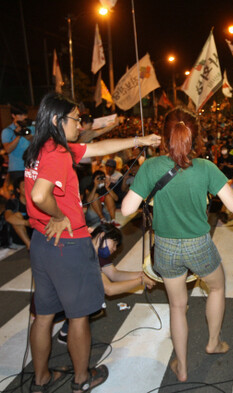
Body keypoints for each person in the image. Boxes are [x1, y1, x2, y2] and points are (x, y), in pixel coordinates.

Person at [23, 92, 160, 392]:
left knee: (44, 316)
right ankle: (82, 378)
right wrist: (59, 216)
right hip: (68, 243)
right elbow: (39, 196)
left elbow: (97, 148)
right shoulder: (58, 154)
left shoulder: (42, 148)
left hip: (41, 243)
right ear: (58, 120)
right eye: (76, 119)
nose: (81, 125)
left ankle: (41, 378)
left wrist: (140, 140)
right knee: (78, 316)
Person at [121, 107, 233, 383]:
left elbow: (127, 209)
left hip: (165, 247)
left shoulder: (150, 167)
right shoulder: (206, 168)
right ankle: (213, 342)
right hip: (199, 244)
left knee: (178, 306)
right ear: (196, 137)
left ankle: (183, 367)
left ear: (163, 138)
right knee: (217, 287)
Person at [56, 223, 155, 344]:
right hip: (59, 298)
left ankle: (68, 329)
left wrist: (141, 275)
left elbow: (114, 274)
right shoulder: (86, 253)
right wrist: (140, 281)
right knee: (94, 292)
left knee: (92, 289)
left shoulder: (96, 248)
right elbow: (109, 289)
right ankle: (70, 328)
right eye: (114, 245)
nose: (114, 250)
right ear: (102, 235)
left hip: (66, 292)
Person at [1, 104, 33, 184]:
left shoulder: (32, 128)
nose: (24, 117)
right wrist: (18, 135)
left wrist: (26, 133)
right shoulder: (7, 131)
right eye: (20, 114)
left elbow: (37, 143)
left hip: (32, 167)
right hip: (16, 168)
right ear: (13, 115)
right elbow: (8, 149)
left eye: (25, 114)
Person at [4, 177, 32, 249]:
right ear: (18, 190)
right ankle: (29, 245)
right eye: (24, 186)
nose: (28, 187)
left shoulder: (37, 201)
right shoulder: (13, 202)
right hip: (19, 234)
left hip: (34, 232)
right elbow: (8, 218)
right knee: (17, 216)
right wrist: (26, 223)